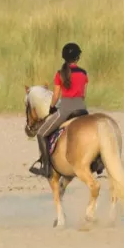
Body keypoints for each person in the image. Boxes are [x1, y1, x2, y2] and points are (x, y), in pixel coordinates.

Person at [30, 42, 88, 176]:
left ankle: (46, 167)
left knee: (41, 133)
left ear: (64, 58)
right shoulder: (84, 73)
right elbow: (84, 95)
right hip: (82, 110)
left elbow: (56, 96)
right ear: (78, 57)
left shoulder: (60, 74)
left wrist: (51, 108)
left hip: (66, 110)